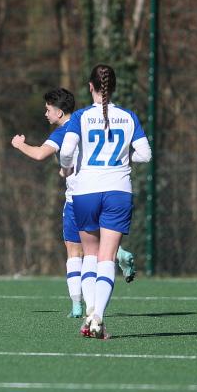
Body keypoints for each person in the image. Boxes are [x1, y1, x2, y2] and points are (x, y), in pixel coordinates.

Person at [12, 88, 137, 318]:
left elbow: (40, 154)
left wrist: (20, 145)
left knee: (76, 252)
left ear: (59, 112)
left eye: (48, 110)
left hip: (78, 199)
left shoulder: (65, 131)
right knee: (100, 246)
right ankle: (117, 253)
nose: (45, 114)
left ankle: (78, 305)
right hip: (106, 192)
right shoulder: (88, 121)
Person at [60, 64, 152, 339]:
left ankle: (90, 313)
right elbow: (145, 155)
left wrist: (68, 167)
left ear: (91, 87)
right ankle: (98, 315)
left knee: (89, 255)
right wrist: (123, 159)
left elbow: (66, 152)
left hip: (85, 191)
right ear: (113, 87)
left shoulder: (79, 117)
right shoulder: (129, 116)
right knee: (107, 258)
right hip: (118, 191)